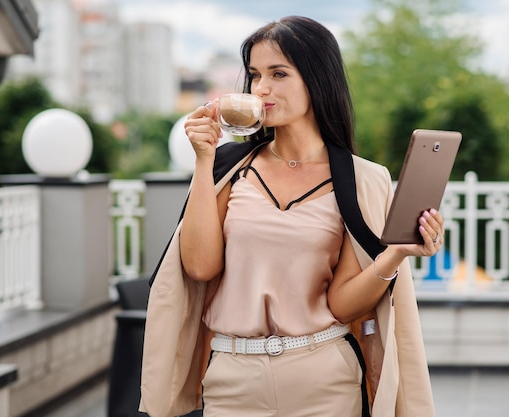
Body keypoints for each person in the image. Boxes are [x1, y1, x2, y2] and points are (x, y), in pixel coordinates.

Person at [140, 15, 443, 417]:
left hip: (325, 381)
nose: (261, 88)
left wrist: (395, 255)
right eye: (254, 75)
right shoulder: (229, 168)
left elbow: (341, 304)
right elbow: (199, 266)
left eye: (278, 74)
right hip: (233, 381)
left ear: (317, 80)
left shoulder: (361, 179)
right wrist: (203, 161)